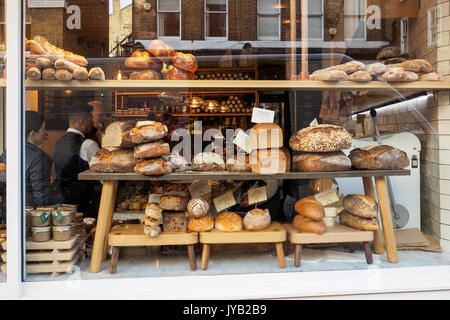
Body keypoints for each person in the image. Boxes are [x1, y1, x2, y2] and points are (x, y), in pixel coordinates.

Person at [53, 103, 101, 218]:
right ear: (82, 121)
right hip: (86, 204)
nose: (92, 123)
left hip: (65, 201)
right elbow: (101, 177)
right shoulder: (88, 144)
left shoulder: (57, 144)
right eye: (90, 120)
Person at [0, 111, 56, 208]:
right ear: (32, 134)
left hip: (9, 218)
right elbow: (41, 199)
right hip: (30, 219)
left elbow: (2, 187)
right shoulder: (38, 158)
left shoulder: (7, 153)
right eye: (43, 129)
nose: (45, 132)